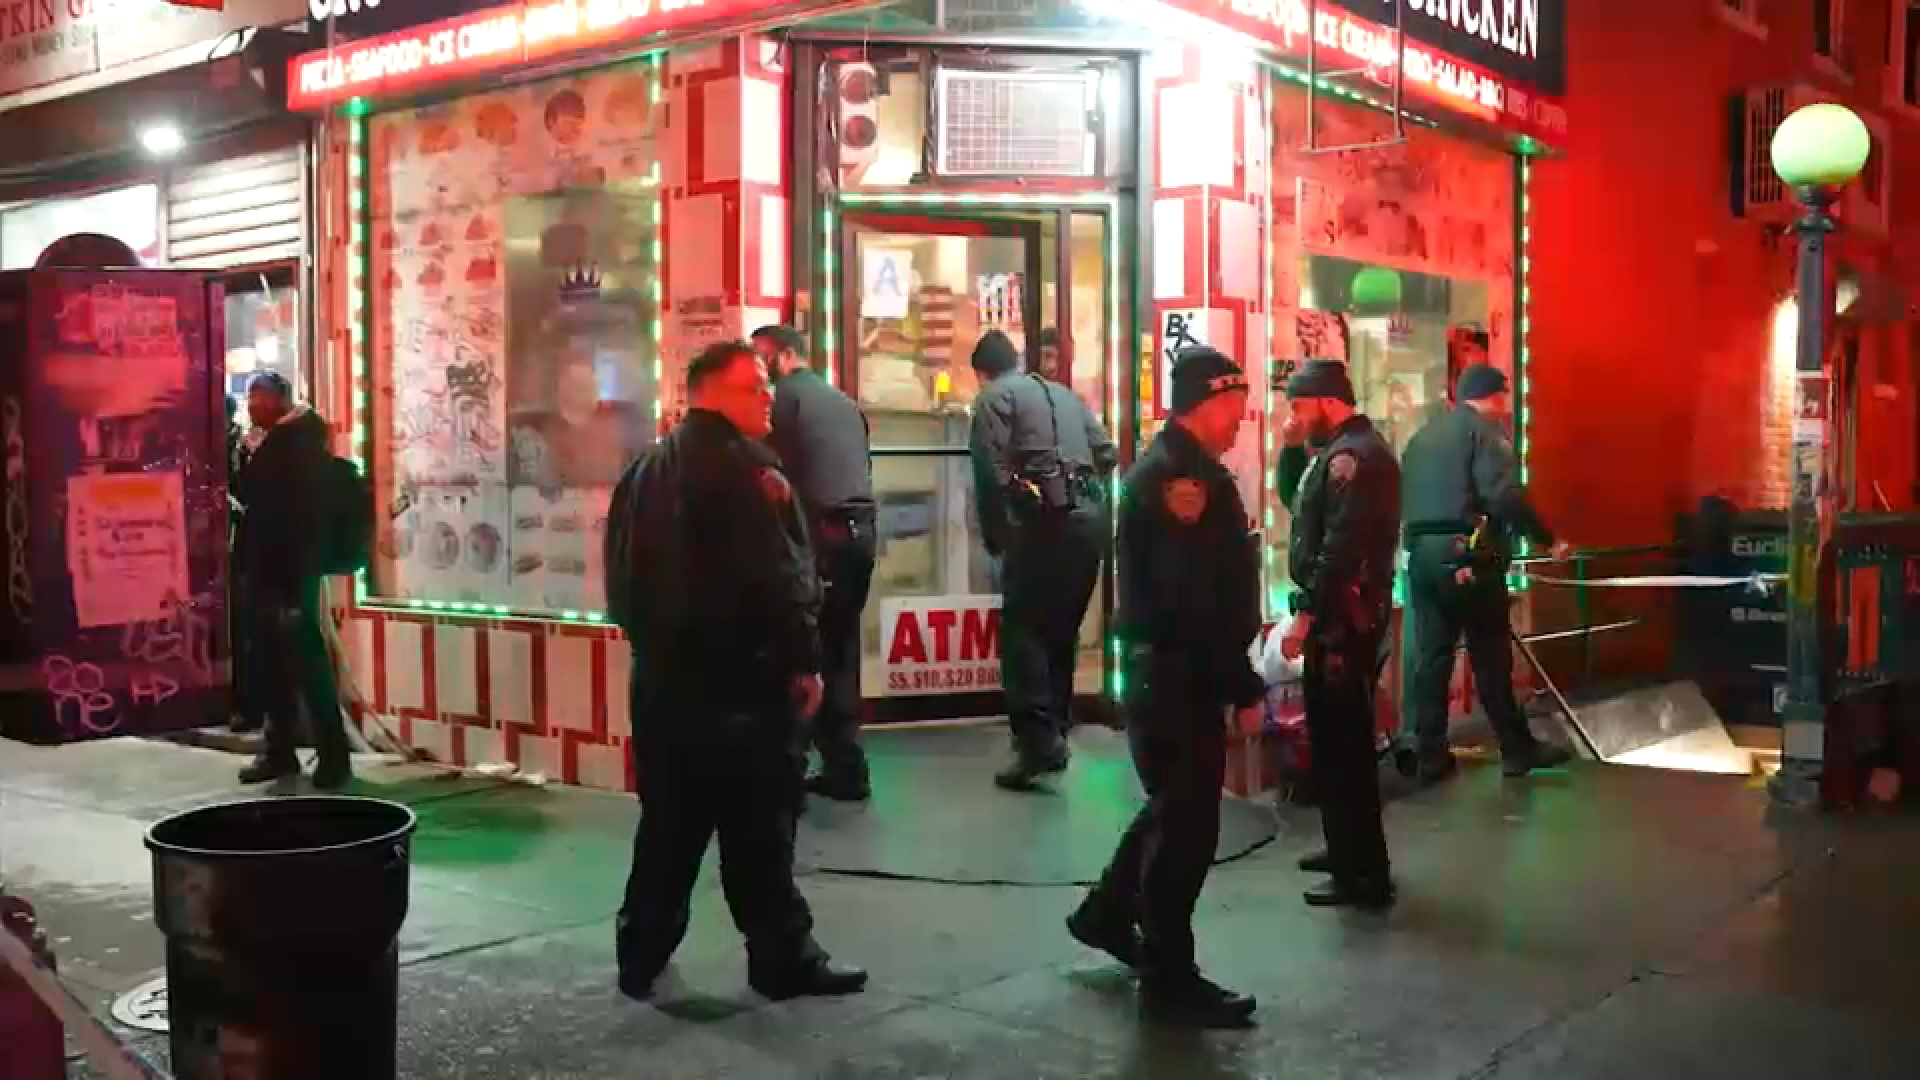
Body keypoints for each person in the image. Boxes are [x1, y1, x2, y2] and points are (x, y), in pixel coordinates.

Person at [604, 340, 866, 1002]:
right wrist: (805, 661)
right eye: (754, 387)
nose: (769, 396)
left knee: (668, 828)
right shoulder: (754, 473)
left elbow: (620, 579)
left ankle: (639, 953)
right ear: (713, 394)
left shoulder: (643, 472)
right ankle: (783, 958)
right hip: (745, 687)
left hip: (664, 685)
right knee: (760, 835)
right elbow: (783, 577)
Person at [1067, 345, 1262, 1028]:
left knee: (1174, 809)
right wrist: (1241, 683)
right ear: (1208, 401)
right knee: (1187, 829)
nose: (1240, 420)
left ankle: (1106, 912)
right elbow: (1193, 598)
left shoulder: (1185, 471)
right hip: (1179, 674)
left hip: (1177, 671)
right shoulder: (1176, 481)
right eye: (1234, 406)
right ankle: (1170, 974)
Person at [1400, 362, 1573, 784]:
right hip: (1470, 557)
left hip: (1421, 558)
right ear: (1493, 397)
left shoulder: (1420, 438)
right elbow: (1505, 497)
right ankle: (1516, 750)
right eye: (1503, 398)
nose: (1506, 407)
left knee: (1431, 659)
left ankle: (1429, 755)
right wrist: (1547, 540)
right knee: (1491, 657)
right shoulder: (1486, 435)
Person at [967, 328, 1118, 791]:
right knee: (1061, 631)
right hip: (1090, 522)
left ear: (982, 373)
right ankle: (1055, 730)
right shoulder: (1064, 395)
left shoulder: (992, 399)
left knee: (1025, 630)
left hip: (1044, 523)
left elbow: (990, 474)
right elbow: (1107, 453)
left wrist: (998, 537)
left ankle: (1037, 744)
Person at [1279, 360, 1401, 910]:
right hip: (1339, 617)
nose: (1294, 417)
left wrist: (1307, 614)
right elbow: (1299, 508)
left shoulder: (1357, 459)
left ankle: (1364, 873)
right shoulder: (1336, 454)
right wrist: (1290, 451)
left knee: (1345, 747)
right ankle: (1345, 850)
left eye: (1299, 406)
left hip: (1344, 622)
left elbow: (1342, 546)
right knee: (1331, 744)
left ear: (1328, 401)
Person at [753, 324, 878, 803]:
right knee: (840, 651)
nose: (759, 371)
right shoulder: (843, 402)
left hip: (818, 538)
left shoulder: (783, 401)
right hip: (859, 536)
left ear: (786, 356)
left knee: (797, 652)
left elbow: (765, 469)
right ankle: (847, 767)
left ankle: (787, 775)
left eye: (763, 358)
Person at [234, 373, 351, 789]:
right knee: (273, 666)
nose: (251, 406)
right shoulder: (270, 443)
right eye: (250, 397)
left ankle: (334, 757)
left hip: (288, 577)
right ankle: (280, 751)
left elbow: (297, 523)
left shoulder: (298, 446)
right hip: (267, 573)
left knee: (308, 666)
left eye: (259, 397)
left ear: (281, 400)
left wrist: (291, 591)